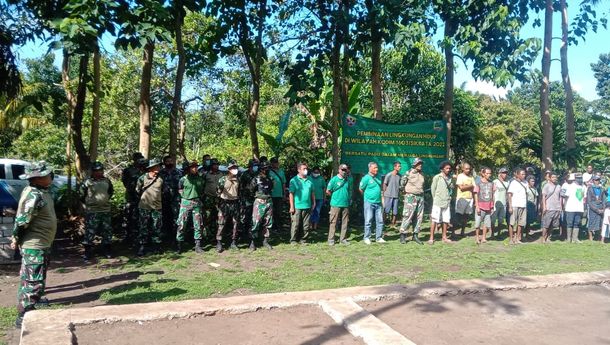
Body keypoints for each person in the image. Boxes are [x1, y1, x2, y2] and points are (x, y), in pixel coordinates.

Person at [11, 161, 57, 328]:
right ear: (36, 178)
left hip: (42, 243)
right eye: (46, 174)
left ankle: (34, 302)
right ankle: (23, 314)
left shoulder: (42, 191)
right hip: (34, 245)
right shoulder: (33, 194)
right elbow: (22, 221)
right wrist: (16, 238)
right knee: (32, 280)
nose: (49, 176)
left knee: (37, 276)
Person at [81, 161, 114, 261]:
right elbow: (81, 195)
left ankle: (107, 250)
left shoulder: (107, 181)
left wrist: (104, 201)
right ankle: (87, 252)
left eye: (100, 170)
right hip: (92, 211)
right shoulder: (87, 182)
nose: (98, 172)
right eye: (96, 171)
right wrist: (90, 202)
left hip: (105, 210)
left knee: (107, 231)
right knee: (90, 231)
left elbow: (110, 192)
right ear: (92, 172)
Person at [136, 158, 166, 256]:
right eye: (156, 166)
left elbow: (163, 191)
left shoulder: (161, 179)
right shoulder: (142, 178)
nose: (158, 168)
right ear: (151, 168)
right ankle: (142, 246)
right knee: (143, 227)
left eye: (159, 166)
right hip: (144, 207)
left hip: (157, 207)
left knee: (156, 227)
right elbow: (137, 190)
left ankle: (156, 246)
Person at [175, 160, 205, 254]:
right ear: (188, 169)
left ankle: (198, 245)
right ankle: (179, 245)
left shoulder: (200, 179)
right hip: (185, 203)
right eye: (193, 167)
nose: (195, 168)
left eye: (196, 167)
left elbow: (202, 190)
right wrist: (185, 198)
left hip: (197, 203)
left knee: (198, 224)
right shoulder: (183, 179)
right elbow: (180, 189)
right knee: (182, 224)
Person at [216, 160, 241, 252]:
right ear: (229, 169)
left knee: (235, 223)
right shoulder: (222, 179)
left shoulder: (238, 179)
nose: (235, 169)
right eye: (233, 168)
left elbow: (240, 191)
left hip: (235, 203)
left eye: (236, 168)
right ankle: (219, 243)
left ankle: (233, 242)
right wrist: (220, 203)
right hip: (224, 203)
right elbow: (218, 192)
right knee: (221, 223)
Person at [398, 158, 424, 245]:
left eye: (421, 164)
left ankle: (415, 235)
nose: (420, 165)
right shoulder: (409, 172)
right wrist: (404, 193)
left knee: (419, 217)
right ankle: (403, 235)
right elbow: (402, 184)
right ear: (414, 164)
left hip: (420, 197)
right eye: (418, 163)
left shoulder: (422, 174)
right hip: (410, 197)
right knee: (407, 216)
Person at [121, 152, 145, 245]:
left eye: (141, 158)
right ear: (134, 160)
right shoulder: (128, 170)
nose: (139, 160)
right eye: (138, 159)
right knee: (128, 217)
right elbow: (125, 182)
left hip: (142, 198)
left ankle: (139, 237)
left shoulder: (144, 170)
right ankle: (127, 237)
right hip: (131, 198)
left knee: (140, 218)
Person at [289, 162, 315, 244]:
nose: (306, 170)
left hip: (307, 205)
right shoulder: (294, 180)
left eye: (306, 169)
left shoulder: (310, 180)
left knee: (306, 225)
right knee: (295, 224)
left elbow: (312, 193)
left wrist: (314, 203)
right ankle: (293, 240)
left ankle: (303, 239)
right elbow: (291, 194)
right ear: (299, 170)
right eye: (304, 169)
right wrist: (292, 206)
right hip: (297, 206)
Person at [250, 161, 274, 250]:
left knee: (268, 222)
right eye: (265, 168)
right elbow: (251, 190)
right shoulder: (255, 179)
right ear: (261, 169)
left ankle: (265, 241)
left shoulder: (270, 178)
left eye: (268, 168)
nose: (267, 170)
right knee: (256, 222)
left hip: (268, 201)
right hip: (259, 202)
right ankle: (252, 242)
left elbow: (271, 188)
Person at [326, 164, 352, 245]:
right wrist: (335, 198)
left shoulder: (348, 180)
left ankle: (343, 239)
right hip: (335, 204)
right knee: (333, 222)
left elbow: (349, 190)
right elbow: (328, 191)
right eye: (343, 170)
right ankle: (331, 240)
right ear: (339, 170)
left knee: (345, 222)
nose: (344, 171)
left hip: (345, 204)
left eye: (346, 170)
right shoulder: (334, 180)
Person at [429, 161, 453, 244]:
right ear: (442, 169)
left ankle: (444, 237)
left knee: (446, 220)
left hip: (446, 202)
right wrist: (435, 199)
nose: (448, 170)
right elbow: (433, 189)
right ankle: (431, 238)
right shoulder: (437, 177)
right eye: (447, 168)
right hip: (437, 202)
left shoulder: (450, 178)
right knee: (434, 220)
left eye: (449, 168)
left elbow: (451, 189)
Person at [359, 162, 384, 244]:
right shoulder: (366, 178)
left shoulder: (379, 177)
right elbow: (361, 189)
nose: (376, 169)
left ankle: (379, 237)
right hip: (369, 202)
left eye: (377, 167)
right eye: (374, 168)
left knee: (380, 221)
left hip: (378, 202)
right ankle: (366, 238)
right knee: (368, 220)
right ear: (370, 168)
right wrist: (367, 197)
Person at [159, 155, 182, 243]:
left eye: (171, 161)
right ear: (164, 163)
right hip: (163, 200)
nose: (170, 163)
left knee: (175, 218)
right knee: (164, 218)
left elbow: (182, 186)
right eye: (167, 161)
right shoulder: (160, 173)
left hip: (175, 200)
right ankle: (164, 237)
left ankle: (175, 238)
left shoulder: (178, 172)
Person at [560, 173, 585, 243]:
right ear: (575, 179)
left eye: (581, 178)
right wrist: (564, 206)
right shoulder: (570, 186)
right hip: (570, 208)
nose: (580, 179)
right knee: (569, 223)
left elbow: (583, 197)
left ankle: (575, 238)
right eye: (578, 178)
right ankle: (569, 239)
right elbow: (565, 196)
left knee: (577, 223)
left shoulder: (583, 187)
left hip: (579, 208)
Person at [239, 159, 259, 241]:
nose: (255, 167)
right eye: (254, 166)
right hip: (246, 199)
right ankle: (242, 234)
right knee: (245, 217)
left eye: (256, 166)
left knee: (254, 217)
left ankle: (253, 234)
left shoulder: (258, 174)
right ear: (250, 166)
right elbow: (240, 186)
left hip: (255, 198)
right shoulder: (245, 174)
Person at [473, 167, 495, 244]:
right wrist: (477, 206)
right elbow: (476, 194)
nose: (489, 175)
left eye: (490, 173)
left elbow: (493, 195)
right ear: (483, 174)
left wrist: (492, 206)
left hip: (488, 207)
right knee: (478, 223)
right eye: (487, 173)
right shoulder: (478, 183)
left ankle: (484, 238)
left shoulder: (491, 183)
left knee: (486, 223)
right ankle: (477, 238)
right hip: (480, 206)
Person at [202, 158, 222, 239]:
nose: (216, 166)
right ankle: (206, 235)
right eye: (214, 164)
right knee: (207, 218)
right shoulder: (205, 174)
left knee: (218, 218)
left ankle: (216, 236)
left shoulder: (221, 174)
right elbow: (202, 186)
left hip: (218, 199)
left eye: (217, 164)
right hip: (208, 199)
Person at [507, 168, 528, 244]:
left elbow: (526, 193)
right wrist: (510, 206)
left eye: (524, 174)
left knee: (521, 223)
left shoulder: (526, 183)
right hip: (515, 205)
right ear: (518, 175)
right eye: (522, 174)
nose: (524, 175)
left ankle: (517, 238)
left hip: (523, 205)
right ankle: (511, 239)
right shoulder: (513, 183)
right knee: (512, 223)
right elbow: (509, 195)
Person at [455, 162, 475, 237]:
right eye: (466, 169)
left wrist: (467, 186)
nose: (468, 170)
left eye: (469, 169)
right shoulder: (460, 176)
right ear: (463, 169)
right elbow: (461, 188)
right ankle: (453, 232)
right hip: (461, 198)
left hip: (470, 198)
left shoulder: (471, 177)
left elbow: (474, 187)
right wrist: (470, 186)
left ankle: (462, 232)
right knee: (458, 216)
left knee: (466, 216)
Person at [540, 172, 562, 243]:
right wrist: (544, 206)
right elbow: (543, 196)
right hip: (549, 207)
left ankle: (548, 237)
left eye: (555, 177)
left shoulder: (559, 186)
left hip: (557, 207)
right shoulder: (546, 186)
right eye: (552, 177)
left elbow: (560, 197)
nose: (554, 178)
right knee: (546, 224)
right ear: (549, 178)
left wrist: (560, 206)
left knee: (553, 224)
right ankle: (543, 238)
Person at [269, 157, 287, 233]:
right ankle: (272, 227)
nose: (276, 164)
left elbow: (284, 183)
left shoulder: (281, 171)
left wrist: (284, 194)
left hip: (279, 195)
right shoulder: (269, 172)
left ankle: (278, 226)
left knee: (279, 212)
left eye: (277, 162)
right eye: (274, 162)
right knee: (271, 212)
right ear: (271, 163)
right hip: (271, 195)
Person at [586, 175, 606, 241]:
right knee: (591, 223)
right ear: (593, 180)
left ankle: (598, 237)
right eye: (595, 180)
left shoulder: (601, 189)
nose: (597, 181)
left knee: (600, 223)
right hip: (593, 208)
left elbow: (604, 200)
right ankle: (590, 237)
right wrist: (596, 209)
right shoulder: (590, 189)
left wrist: (603, 209)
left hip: (600, 208)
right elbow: (589, 201)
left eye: (598, 180)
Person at [491, 167, 509, 237]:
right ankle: (492, 234)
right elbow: (492, 193)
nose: (505, 174)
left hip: (503, 203)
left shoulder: (507, 182)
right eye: (503, 173)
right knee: (493, 219)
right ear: (500, 173)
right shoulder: (495, 181)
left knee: (501, 220)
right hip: (496, 203)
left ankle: (499, 233)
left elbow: (507, 193)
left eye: (506, 173)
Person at [382, 162, 402, 227]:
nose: (400, 167)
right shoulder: (389, 175)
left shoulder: (399, 176)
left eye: (400, 166)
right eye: (398, 166)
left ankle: (393, 223)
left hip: (396, 195)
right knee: (386, 210)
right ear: (394, 167)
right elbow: (384, 184)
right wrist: (384, 194)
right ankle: (383, 223)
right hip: (388, 195)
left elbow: (400, 185)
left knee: (395, 210)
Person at [309, 166, 326, 231]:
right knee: (311, 211)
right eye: (315, 172)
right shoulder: (309, 178)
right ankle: (310, 225)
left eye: (317, 172)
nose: (316, 173)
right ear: (312, 172)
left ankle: (315, 226)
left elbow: (324, 188)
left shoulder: (321, 179)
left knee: (317, 212)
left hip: (320, 198)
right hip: (311, 198)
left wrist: (324, 197)